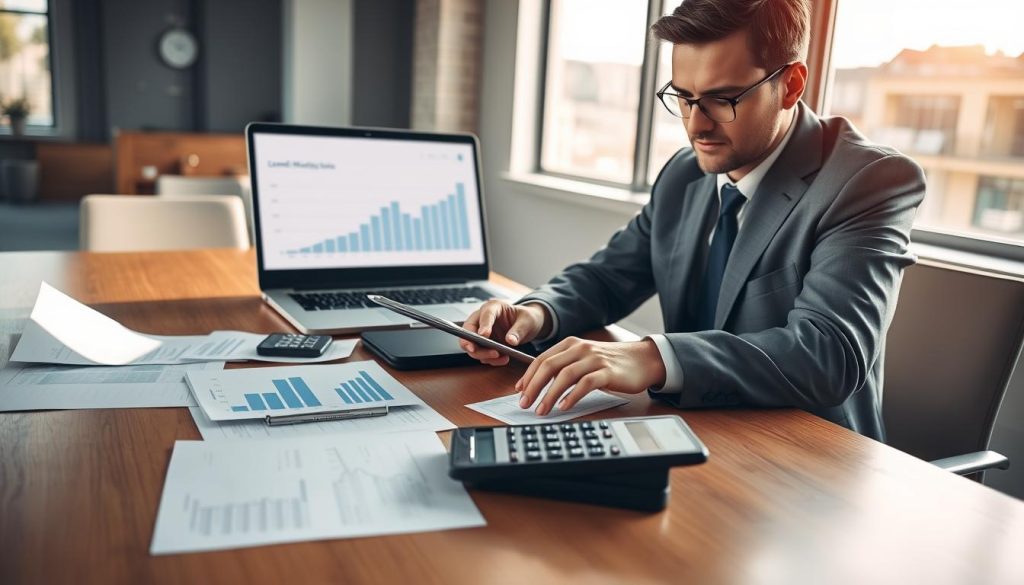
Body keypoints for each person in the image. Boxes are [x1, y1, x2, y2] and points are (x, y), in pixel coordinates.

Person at [459, 0, 925, 441]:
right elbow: (608, 277)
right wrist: (533, 314)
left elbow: (827, 355)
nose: (695, 125)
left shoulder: (868, 181)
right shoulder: (686, 173)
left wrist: (652, 356)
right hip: (695, 430)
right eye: (683, 97)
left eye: (722, 100)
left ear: (792, 85)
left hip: (807, 460)